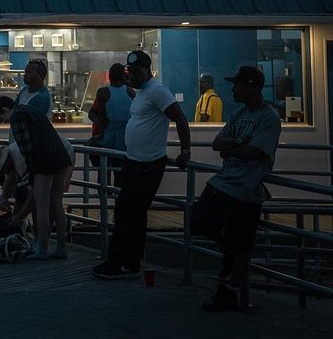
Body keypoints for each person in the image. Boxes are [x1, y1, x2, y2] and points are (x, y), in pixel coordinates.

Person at [92, 49, 191, 279]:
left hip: (148, 164)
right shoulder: (141, 93)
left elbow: (180, 118)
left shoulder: (158, 91)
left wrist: (185, 151)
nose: (132, 75)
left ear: (148, 70)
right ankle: (130, 261)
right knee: (133, 213)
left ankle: (116, 262)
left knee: (127, 212)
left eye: (137, 71)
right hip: (134, 160)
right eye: (130, 70)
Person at [190, 65, 281, 312]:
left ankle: (229, 289)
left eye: (237, 85)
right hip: (224, 181)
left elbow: (255, 151)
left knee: (241, 242)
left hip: (245, 188)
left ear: (251, 86)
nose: (233, 89)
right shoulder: (239, 115)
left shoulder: (269, 118)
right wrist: (237, 143)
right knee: (199, 222)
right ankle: (229, 253)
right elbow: (217, 143)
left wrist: (230, 148)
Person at [0, 96, 73, 259]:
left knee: (42, 205)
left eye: (2, 118)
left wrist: (32, 174)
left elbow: (26, 148)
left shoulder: (17, 118)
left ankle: (42, 247)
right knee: (56, 203)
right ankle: (61, 247)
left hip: (43, 160)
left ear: (6, 110)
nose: (5, 121)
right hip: (61, 156)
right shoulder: (30, 110)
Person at [0, 58, 52, 134]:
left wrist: (3, 106)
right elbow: (10, 112)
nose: (25, 75)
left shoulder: (41, 98)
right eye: (25, 72)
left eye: (29, 72)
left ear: (40, 75)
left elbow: (20, 118)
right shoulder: (25, 91)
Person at [88, 62, 135, 184]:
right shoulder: (130, 92)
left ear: (110, 76)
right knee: (120, 174)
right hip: (125, 137)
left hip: (108, 136)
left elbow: (102, 119)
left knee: (103, 171)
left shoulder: (103, 93)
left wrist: (101, 134)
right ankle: (119, 198)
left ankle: (104, 195)